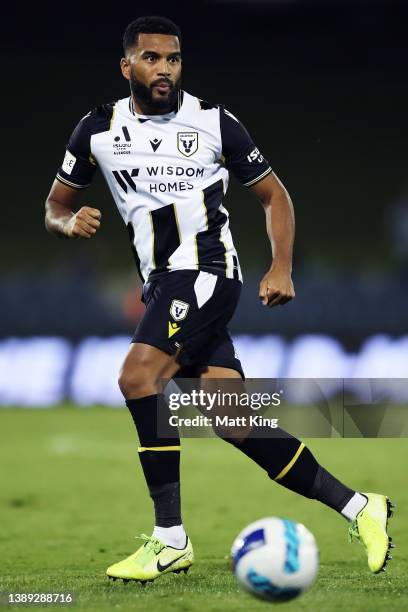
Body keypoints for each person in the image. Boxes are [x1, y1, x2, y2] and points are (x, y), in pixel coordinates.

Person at [44, 15, 394, 584]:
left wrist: (281, 265)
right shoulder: (96, 130)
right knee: (232, 418)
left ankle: (169, 540)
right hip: (162, 283)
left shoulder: (213, 123)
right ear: (127, 64)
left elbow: (274, 196)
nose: (165, 69)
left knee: (137, 378)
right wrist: (66, 223)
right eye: (153, 58)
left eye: (174, 59)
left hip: (203, 273)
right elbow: (55, 204)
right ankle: (362, 507)